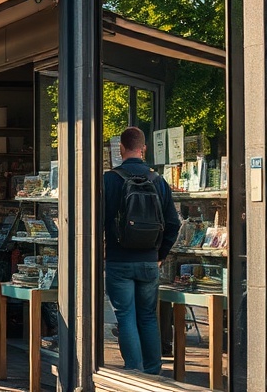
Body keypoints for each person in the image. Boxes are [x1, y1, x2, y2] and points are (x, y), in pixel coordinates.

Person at [104, 126, 180, 375]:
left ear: (121, 149)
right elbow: (173, 223)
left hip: (119, 260)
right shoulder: (158, 181)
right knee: (148, 316)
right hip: (149, 261)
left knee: (125, 316)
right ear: (144, 148)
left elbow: (97, 221)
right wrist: (160, 255)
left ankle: (133, 374)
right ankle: (153, 372)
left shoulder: (110, 179)